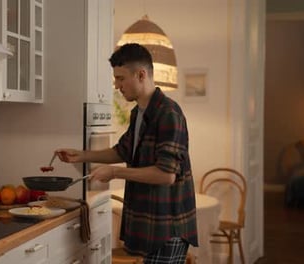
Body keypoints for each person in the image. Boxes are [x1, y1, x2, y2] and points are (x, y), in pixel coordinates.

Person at [56, 43, 198, 264]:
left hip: (167, 226)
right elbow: (123, 151)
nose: (117, 85)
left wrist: (114, 173)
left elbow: (165, 175)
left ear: (141, 74)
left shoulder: (169, 114)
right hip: (150, 224)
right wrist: (81, 155)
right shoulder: (139, 113)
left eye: (121, 78)